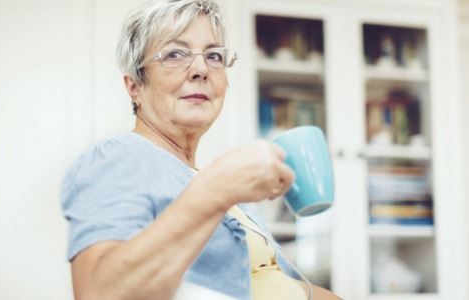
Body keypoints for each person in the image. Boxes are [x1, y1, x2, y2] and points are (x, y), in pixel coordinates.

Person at [60, 1, 342, 299]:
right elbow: (99, 292)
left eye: (214, 55)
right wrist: (216, 189)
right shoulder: (117, 157)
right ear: (135, 86)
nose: (200, 69)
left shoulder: (219, 189)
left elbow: (272, 284)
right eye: (175, 54)